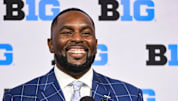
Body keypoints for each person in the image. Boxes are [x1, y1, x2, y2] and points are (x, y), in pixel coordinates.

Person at [3, 8, 143, 101]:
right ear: (51, 44)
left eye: (86, 33)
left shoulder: (129, 95)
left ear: (95, 44)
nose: (77, 39)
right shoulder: (18, 96)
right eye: (67, 32)